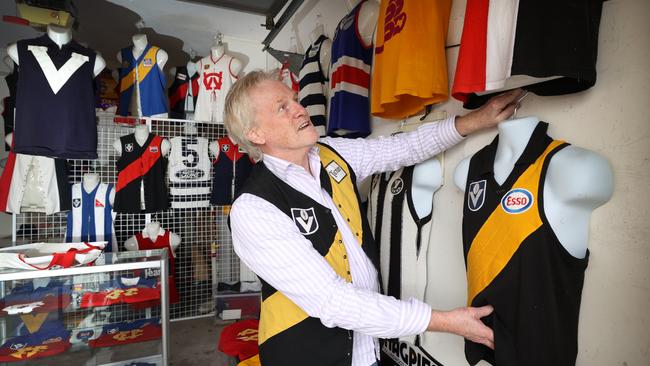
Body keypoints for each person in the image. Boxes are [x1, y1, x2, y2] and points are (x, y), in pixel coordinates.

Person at [225, 70, 525, 366]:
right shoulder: (253, 209)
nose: (300, 109)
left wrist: (477, 120)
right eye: (282, 107)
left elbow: (403, 148)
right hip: (305, 355)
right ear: (256, 134)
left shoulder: (330, 153)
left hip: (367, 349)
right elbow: (333, 301)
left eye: (294, 99)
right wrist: (445, 321)